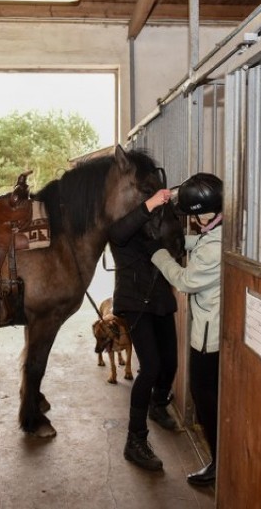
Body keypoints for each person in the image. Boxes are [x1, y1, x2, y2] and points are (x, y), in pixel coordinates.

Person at [145, 173, 222, 487]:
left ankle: (218, 463)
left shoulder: (213, 249)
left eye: (193, 217)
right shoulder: (217, 233)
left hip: (209, 338)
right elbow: (199, 242)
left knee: (204, 398)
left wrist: (159, 254)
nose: (192, 223)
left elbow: (186, 281)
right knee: (205, 396)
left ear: (204, 214)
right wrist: (174, 240)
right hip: (210, 331)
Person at [109, 187, 179, 472]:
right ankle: (135, 440)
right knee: (149, 367)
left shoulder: (157, 221)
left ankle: (158, 403)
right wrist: (150, 204)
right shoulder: (122, 223)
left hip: (161, 297)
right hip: (135, 301)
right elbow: (117, 234)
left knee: (170, 363)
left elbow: (175, 244)